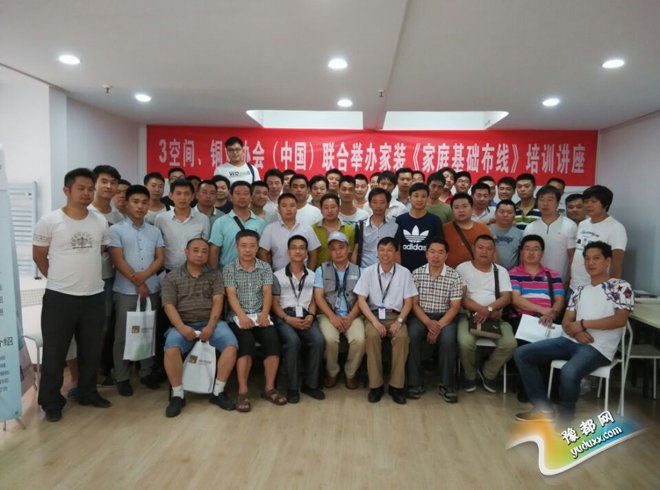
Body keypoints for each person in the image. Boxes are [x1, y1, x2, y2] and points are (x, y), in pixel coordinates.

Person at [514, 241, 633, 423]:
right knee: (522, 354)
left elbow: (620, 320)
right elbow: (566, 321)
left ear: (608, 261)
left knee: (569, 372)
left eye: (596, 258)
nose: (591, 263)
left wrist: (583, 324)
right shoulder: (580, 290)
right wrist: (576, 332)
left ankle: (565, 419)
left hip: (598, 348)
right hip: (570, 340)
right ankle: (542, 409)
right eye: (587, 259)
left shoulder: (621, 287)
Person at [33, 168, 111, 422]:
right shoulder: (50, 221)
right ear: (66, 190)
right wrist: (58, 280)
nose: (87, 193)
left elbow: (100, 251)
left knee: (90, 351)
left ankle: (88, 393)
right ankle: (51, 402)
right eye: (81, 188)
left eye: (90, 189)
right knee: (55, 353)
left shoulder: (100, 221)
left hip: (94, 296)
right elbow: (39, 257)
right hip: (60, 298)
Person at [161, 238, 239, 417]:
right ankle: (178, 395)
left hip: (211, 322)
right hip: (183, 323)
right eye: (195, 250)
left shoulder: (215, 274)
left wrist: (210, 327)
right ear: (186, 252)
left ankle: (218, 391)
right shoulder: (172, 277)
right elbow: (169, 306)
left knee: (231, 346)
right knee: (171, 349)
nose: (200, 254)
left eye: (204, 251)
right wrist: (182, 328)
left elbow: (218, 301)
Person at [108, 185, 165, 396]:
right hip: (126, 290)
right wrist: (138, 282)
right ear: (126, 203)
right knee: (123, 335)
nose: (140, 206)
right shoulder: (116, 230)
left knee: (148, 331)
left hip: (152, 289)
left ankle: (146, 372)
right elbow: (118, 260)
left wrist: (145, 277)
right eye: (135, 202)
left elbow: (160, 258)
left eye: (144, 202)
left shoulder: (154, 231)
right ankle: (122, 376)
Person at [224, 230, 286, 411]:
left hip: (260, 315)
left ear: (258, 247)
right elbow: (231, 295)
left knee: (273, 341)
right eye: (244, 246)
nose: (248, 250)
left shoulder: (265, 267)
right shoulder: (229, 268)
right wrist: (242, 316)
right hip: (238, 317)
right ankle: (243, 392)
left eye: (252, 246)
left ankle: (269, 389)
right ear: (237, 247)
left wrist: (265, 314)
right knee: (246, 342)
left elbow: (267, 292)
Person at [354, 237, 417, 404]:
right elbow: (361, 301)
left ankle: (396, 386)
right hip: (373, 316)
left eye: (389, 250)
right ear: (377, 252)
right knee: (372, 336)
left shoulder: (404, 273)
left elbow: (409, 302)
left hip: (396, 316)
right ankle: (376, 386)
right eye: (382, 250)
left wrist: (399, 321)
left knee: (402, 338)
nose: (385, 253)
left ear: (396, 253)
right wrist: (374, 322)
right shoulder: (368, 272)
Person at [456, 235, 516, 393]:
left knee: (510, 343)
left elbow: (506, 297)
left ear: (494, 251)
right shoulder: (463, 268)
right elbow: (462, 298)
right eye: (480, 247)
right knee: (465, 342)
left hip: (495, 317)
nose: (484, 251)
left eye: (489, 249)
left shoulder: (500, 271)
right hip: (468, 316)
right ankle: (469, 375)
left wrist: (489, 310)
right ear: (473, 249)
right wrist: (482, 310)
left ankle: (488, 372)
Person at [406, 239, 463, 402]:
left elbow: (455, 307)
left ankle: (447, 384)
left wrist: (438, 326)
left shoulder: (454, 276)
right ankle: (415, 383)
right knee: (412, 334)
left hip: (445, 317)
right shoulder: (416, 273)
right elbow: (414, 304)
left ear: (446, 255)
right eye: (432, 252)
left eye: (440, 252)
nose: (435, 256)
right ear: (426, 254)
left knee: (448, 339)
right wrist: (428, 323)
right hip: (421, 316)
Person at [272, 236, 325, 403]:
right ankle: (292, 387)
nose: (298, 251)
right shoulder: (278, 275)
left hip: (306, 315)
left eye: (302, 248)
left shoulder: (313, 275)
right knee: (293, 342)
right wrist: (287, 318)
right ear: (288, 252)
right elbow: (274, 304)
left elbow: (315, 299)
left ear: (306, 252)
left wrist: (311, 315)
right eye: (294, 248)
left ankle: (310, 384)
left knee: (318, 341)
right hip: (285, 317)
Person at [313, 232, 365, 389]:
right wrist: (332, 317)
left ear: (348, 249)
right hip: (328, 314)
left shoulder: (360, 271)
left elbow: (362, 299)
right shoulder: (321, 270)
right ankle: (332, 372)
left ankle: (350, 373)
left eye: (341, 247)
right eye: (333, 249)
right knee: (330, 339)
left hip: (352, 314)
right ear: (329, 252)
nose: (338, 252)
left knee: (359, 340)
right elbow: (319, 297)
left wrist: (350, 318)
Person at [89, 164, 124, 386]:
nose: (109, 186)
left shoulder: (118, 216)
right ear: (94, 183)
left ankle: (98, 371)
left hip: (110, 277)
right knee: (88, 329)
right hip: (87, 279)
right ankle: (84, 377)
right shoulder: (86, 212)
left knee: (104, 327)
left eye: (113, 182)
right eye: (104, 181)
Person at [569, 185, 626, 293]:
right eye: (586, 201)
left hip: (598, 288)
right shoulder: (582, 224)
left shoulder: (616, 228)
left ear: (605, 204)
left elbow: (617, 263)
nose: (588, 205)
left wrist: (611, 291)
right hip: (574, 286)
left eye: (594, 201)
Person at [154, 179, 210, 273]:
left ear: (192, 196)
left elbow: (205, 246)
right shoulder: (161, 219)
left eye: (186, 194)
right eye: (178, 193)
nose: (182, 198)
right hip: (168, 270)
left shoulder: (203, 219)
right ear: (171, 196)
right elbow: (157, 246)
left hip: (195, 270)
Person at [523, 185, 577, 281]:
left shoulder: (569, 225)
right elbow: (524, 256)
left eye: (550, 200)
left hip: (560, 280)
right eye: (541, 200)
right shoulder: (530, 227)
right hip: (534, 281)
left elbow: (572, 256)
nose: (545, 203)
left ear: (558, 203)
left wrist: (569, 279)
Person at [509, 235, 565, 324]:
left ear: (542, 253)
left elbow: (559, 300)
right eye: (527, 249)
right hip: (520, 320)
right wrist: (542, 310)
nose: (531, 253)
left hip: (547, 320)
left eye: (536, 249)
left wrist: (551, 315)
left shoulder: (553, 275)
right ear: (521, 252)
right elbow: (516, 299)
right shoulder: (512, 274)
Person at [209, 181, 265, 270]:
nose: (242, 197)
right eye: (238, 193)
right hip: (226, 272)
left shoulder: (261, 223)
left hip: (254, 273)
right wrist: (214, 274)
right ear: (231, 197)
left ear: (251, 197)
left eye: (246, 194)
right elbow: (214, 252)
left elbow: (263, 252)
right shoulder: (220, 222)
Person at [259, 193, 321, 270]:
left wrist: (310, 273)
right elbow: (263, 253)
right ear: (278, 209)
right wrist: (269, 274)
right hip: (277, 274)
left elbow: (313, 253)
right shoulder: (270, 228)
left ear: (296, 208)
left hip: (303, 274)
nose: (288, 209)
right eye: (284, 206)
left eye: (292, 205)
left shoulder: (307, 228)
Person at [395, 182, 443, 272]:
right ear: (409, 198)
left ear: (428, 198)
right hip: (404, 270)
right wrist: (399, 271)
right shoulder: (400, 220)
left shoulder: (435, 221)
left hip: (427, 271)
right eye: (416, 196)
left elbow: (438, 247)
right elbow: (397, 248)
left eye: (423, 196)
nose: (419, 199)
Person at [443, 193, 492, 269]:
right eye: (456, 207)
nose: (461, 210)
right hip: (450, 273)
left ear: (472, 208)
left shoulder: (483, 229)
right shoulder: (444, 229)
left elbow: (491, 254)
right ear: (452, 210)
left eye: (465, 206)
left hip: (476, 273)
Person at [356, 188, 398, 268]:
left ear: (388, 204)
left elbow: (397, 253)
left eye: (382, 202)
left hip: (387, 270)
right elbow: (356, 250)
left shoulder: (394, 227)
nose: (378, 206)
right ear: (369, 204)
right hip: (364, 270)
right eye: (374, 202)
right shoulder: (360, 226)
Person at [312, 194, 355, 268]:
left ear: (339, 208)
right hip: (319, 271)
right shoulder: (313, 229)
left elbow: (350, 254)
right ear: (321, 210)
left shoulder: (349, 229)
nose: (330, 211)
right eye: (326, 207)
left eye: (333, 207)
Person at [488, 199, 523, 270]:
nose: (505, 215)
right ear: (496, 213)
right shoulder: (486, 230)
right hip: (489, 272)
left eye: (509, 212)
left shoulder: (519, 233)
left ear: (514, 215)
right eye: (502, 212)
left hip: (512, 274)